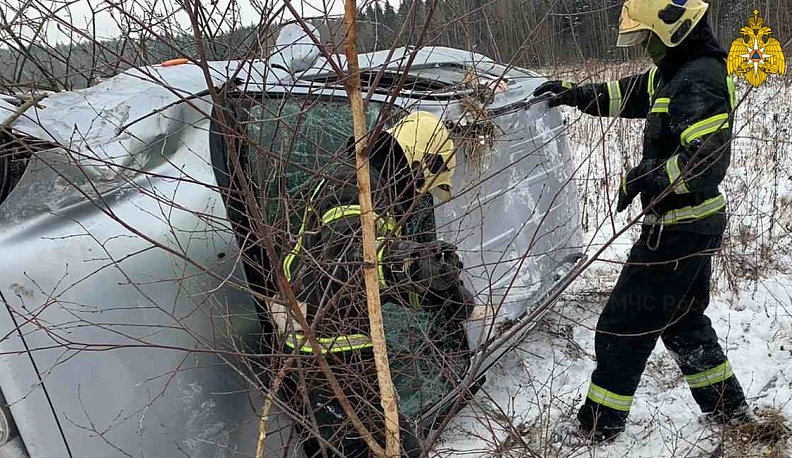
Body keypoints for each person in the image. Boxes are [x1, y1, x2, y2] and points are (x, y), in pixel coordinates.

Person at [533, 0, 750, 443]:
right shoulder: (675, 70)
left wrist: (645, 177)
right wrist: (574, 94)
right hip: (690, 227)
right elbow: (626, 94)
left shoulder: (699, 79)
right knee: (682, 321)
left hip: (678, 229)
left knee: (622, 325)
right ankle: (729, 410)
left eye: (648, 36)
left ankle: (598, 426)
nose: (645, 46)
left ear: (673, 29)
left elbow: (705, 164)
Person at [273, 111, 474, 456]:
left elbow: (371, 277)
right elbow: (348, 258)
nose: (417, 196)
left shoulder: (372, 183)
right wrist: (411, 265)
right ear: (421, 163)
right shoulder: (354, 182)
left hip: (338, 341)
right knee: (380, 448)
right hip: (324, 348)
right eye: (422, 186)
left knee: (389, 445)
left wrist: (437, 291)